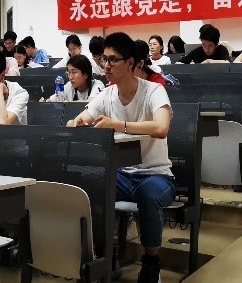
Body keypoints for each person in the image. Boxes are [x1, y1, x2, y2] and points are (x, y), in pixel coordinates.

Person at [67, 32, 174, 283]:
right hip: (122, 175)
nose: (106, 65)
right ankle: (106, 255)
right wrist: (77, 123)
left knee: (148, 194)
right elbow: (79, 120)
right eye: (104, 59)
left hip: (156, 175)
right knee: (89, 185)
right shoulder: (107, 94)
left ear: (130, 62)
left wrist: (118, 125)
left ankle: (151, 262)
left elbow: (161, 128)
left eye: (113, 60)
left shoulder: (154, 91)